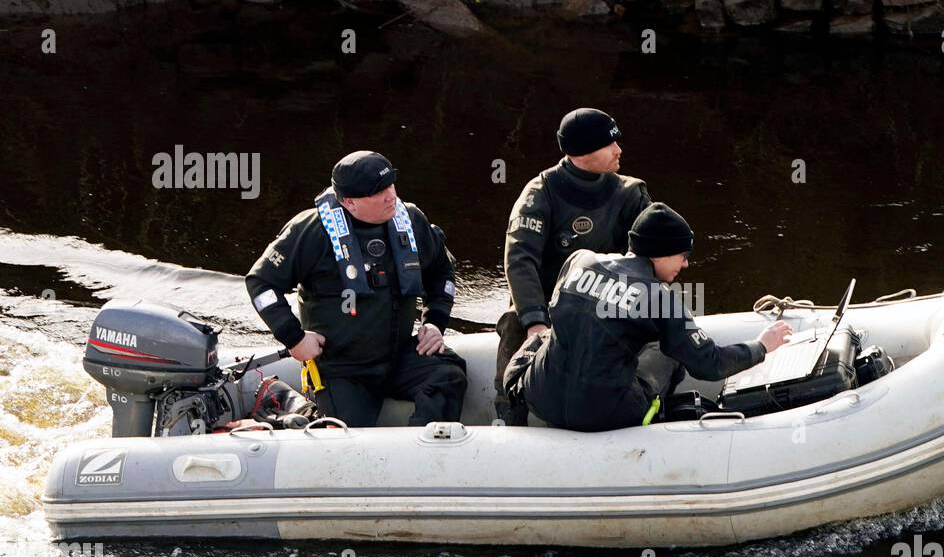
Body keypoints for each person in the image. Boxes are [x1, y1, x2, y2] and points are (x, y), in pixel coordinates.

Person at [511, 203, 792, 432]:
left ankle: (510, 409)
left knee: (548, 335)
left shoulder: (579, 260)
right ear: (661, 253)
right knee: (671, 351)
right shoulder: (660, 297)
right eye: (682, 255)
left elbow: (572, 312)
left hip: (541, 397)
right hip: (604, 416)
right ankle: (655, 428)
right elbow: (710, 364)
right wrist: (762, 346)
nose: (686, 264)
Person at [245, 150, 467, 428]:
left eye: (390, 185)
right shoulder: (310, 231)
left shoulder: (411, 220)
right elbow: (260, 283)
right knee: (348, 435)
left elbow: (442, 271)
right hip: (341, 368)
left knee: (448, 375)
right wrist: (294, 338)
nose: (390, 196)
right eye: (378, 192)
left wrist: (435, 321)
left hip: (398, 357)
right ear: (349, 202)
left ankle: (421, 454)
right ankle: (294, 407)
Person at [495, 107, 651, 423]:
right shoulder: (540, 194)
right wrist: (535, 321)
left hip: (605, 302)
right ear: (582, 152)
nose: (619, 150)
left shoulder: (630, 193)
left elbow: (652, 255)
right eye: (610, 144)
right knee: (514, 319)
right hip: (548, 306)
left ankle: (639, 405)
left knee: (657, 317)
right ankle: (509, 413)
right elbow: (520, 259)